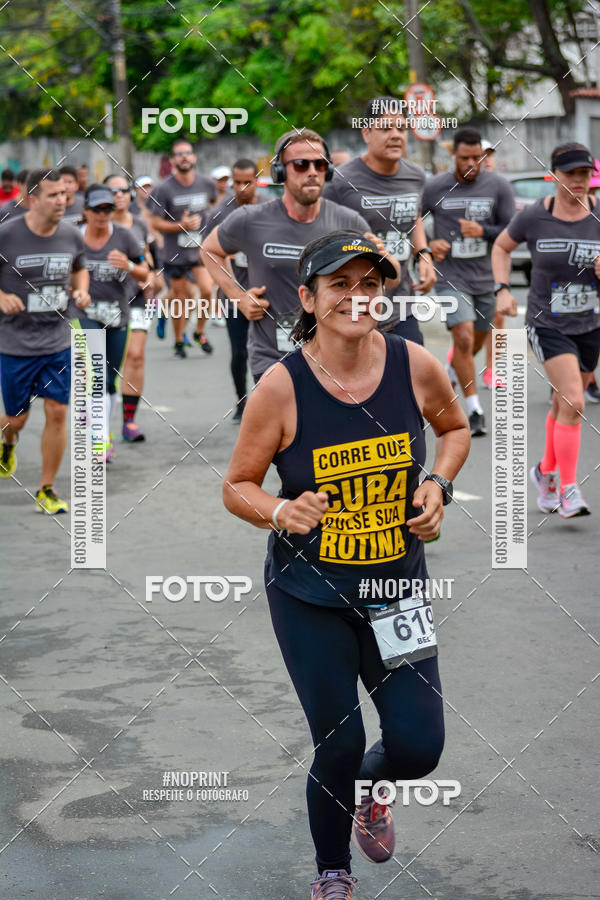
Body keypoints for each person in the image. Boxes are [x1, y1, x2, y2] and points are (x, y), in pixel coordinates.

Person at [223, 231, 470, 898]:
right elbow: (237, 485)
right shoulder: (282, 386)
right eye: (340, 284)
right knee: (337, 743)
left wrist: (438, 486)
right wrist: (282, 510)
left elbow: (454, 429)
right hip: (311, 596)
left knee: (419, 746)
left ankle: (365, 790)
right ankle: (332, 870)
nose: (358, 297)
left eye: (370, 284)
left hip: (396, 590)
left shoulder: (413, 364)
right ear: (308, 298)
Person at [202, 128, 399, 382]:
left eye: (320, 164)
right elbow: (209, 250)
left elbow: (390, 279)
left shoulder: (349, 221)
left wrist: (385, 257)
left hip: (332, 360)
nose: (312, 172)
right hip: (272, 358)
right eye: (301, 165)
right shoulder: (249, 219)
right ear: (280, 171)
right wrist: (238, 297)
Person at [493, 142, 600, 518]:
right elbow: (501, 247)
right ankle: (569, 489)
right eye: (571, 174)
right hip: (547, 321)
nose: (579, 181)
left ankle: (545, 472)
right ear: (553, 175)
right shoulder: (535, 216)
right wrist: (502, 288)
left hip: (590, 322)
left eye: (585, 173)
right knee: (574, 401)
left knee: (563, 403)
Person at [0, 168, 90, 513]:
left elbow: (80, 267)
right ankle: (8, 442)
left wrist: (81, 291)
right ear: (32, 199)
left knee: (57, 411)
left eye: (64, 194)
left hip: (57, 340)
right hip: (15, 342)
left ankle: (47, 489)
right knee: (17, 419)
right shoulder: (7, 235)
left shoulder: (71, 234)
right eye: (53, 195)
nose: (62, 200)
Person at [421, 126, 515, 437]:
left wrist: (483, 232)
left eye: (478, 157)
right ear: (454, 156)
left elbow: (511, 232)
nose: (472, 163)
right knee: (462, 337)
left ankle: (451, 370)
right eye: (465, 158)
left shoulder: (498, 186)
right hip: (451, 276)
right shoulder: (435, 187)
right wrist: (428, 246)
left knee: (474, 340)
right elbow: (412, 223)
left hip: (486, 276)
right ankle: (474, 410)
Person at [323, 96, 436, 345]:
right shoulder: (341, 181)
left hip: (400, 303)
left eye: (401, 128)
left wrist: (424, 254)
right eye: (386, 128)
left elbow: (414, 216)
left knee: (411, 365)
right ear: (366, 133)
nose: (395, 135)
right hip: (356, 305)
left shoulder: (416, 176)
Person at [77, 184, 148, 461]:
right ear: (86, 211)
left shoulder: (124, 236)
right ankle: (99, 439)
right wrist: (76, 291)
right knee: (97, 374)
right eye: (97, 209)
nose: (102, 214)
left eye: (107, 209)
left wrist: (128, 266)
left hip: (117, 315)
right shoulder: (75, 237)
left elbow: (146, 273)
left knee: (109, 380)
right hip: (84, 315)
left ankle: (102, 433)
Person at [203, 159, 265, 422]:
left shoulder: (270, 208)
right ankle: (241, 401)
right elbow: (208, 252)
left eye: (247, 182)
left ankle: (268, 402)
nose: (242, 188)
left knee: (270, 351)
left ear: (257, 180)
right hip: (234, 296)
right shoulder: (220, 213)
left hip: (267, 294)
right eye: (236, 182)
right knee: (239, 351)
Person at [148, 138, 217, 358]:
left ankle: (199, 331)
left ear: (194, 157)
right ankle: (178, 340)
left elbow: (214, 207)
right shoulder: (163, 188)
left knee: (207, 290)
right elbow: (155, 222)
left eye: (188, 153)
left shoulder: (206, 184)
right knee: (182, 299)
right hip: (175, 253)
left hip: (199, 251)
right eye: (179, 154)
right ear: (172, 160)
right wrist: (181, 225)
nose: (184, 157)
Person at [104, 173, 159, 442]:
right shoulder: (95, 226)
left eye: (124, 190)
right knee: (103, 366)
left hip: (137, 300)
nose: (119, 195)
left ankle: (129, 421)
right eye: (113, 191)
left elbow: (151, 261)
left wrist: (151, 279)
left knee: (136, 356)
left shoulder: (138, 224)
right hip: (105, 300)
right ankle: (100, 425)